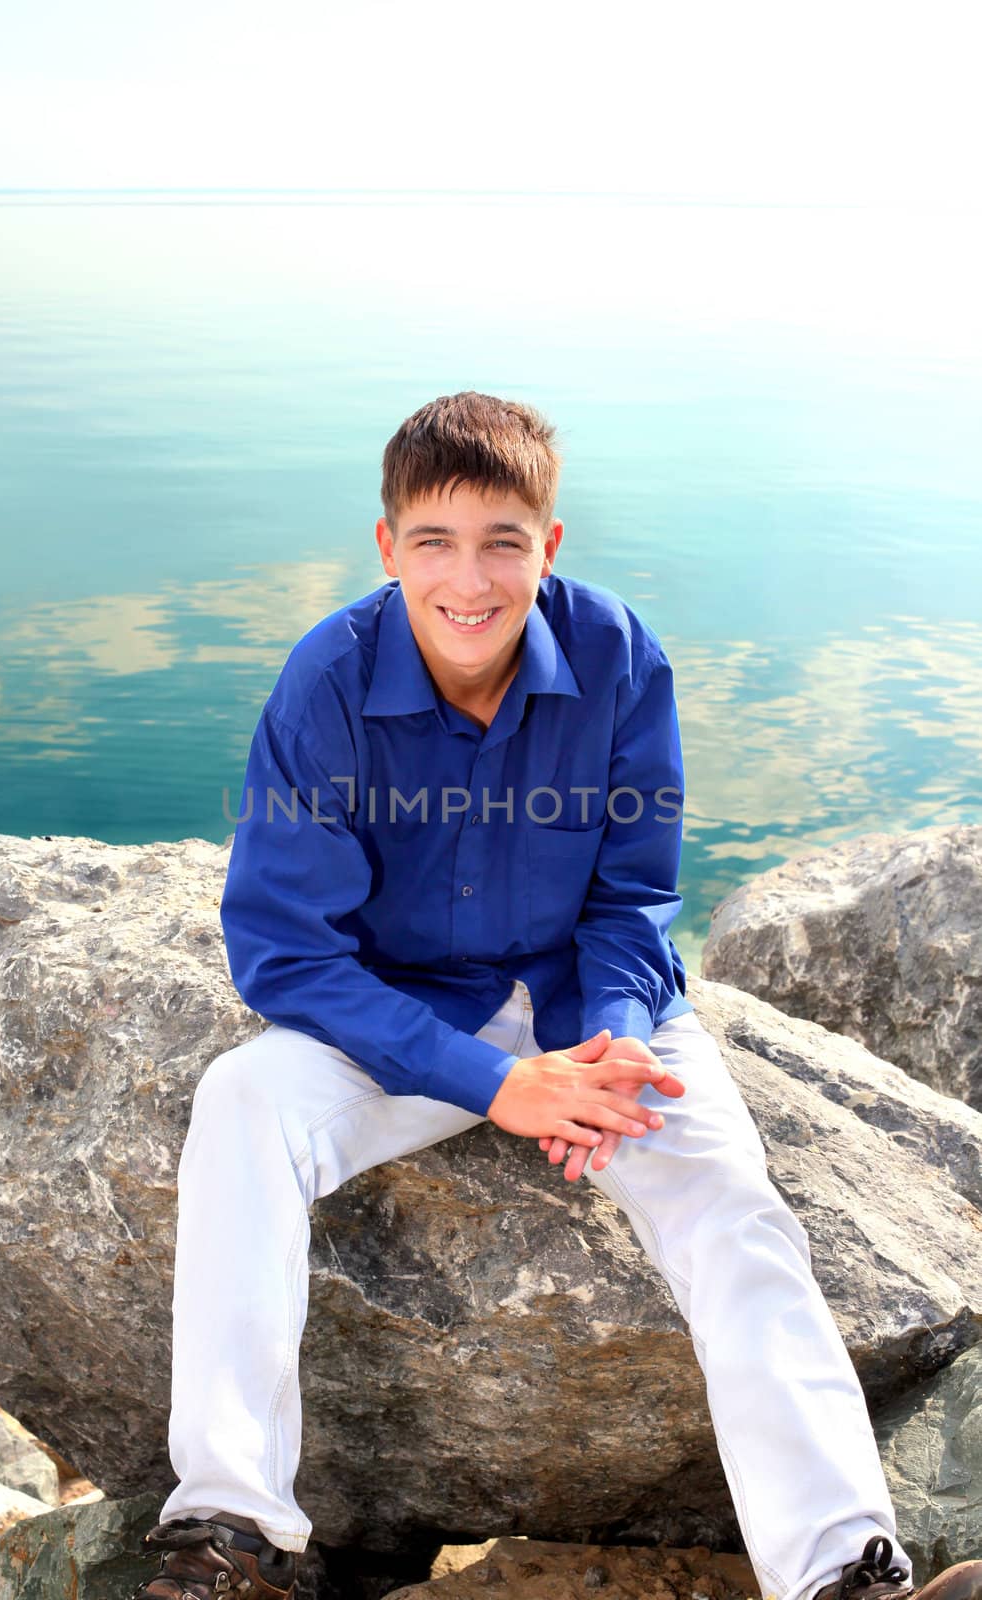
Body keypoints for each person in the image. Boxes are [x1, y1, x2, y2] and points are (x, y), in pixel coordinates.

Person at [133, 393, 981, 1600]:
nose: (466, 579)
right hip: (402, 1012)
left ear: (549, 543)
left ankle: (845, 1571)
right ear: (386, 549)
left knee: (732, 1208)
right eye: (432, 541)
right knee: (238, 1105)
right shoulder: (325, 681)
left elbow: (633, 899)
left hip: (592, 1010)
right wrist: (498, 1083)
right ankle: (232, 1533)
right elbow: (283, 952)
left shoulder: (618, 656)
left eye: (501, 541)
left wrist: (615, 1047)